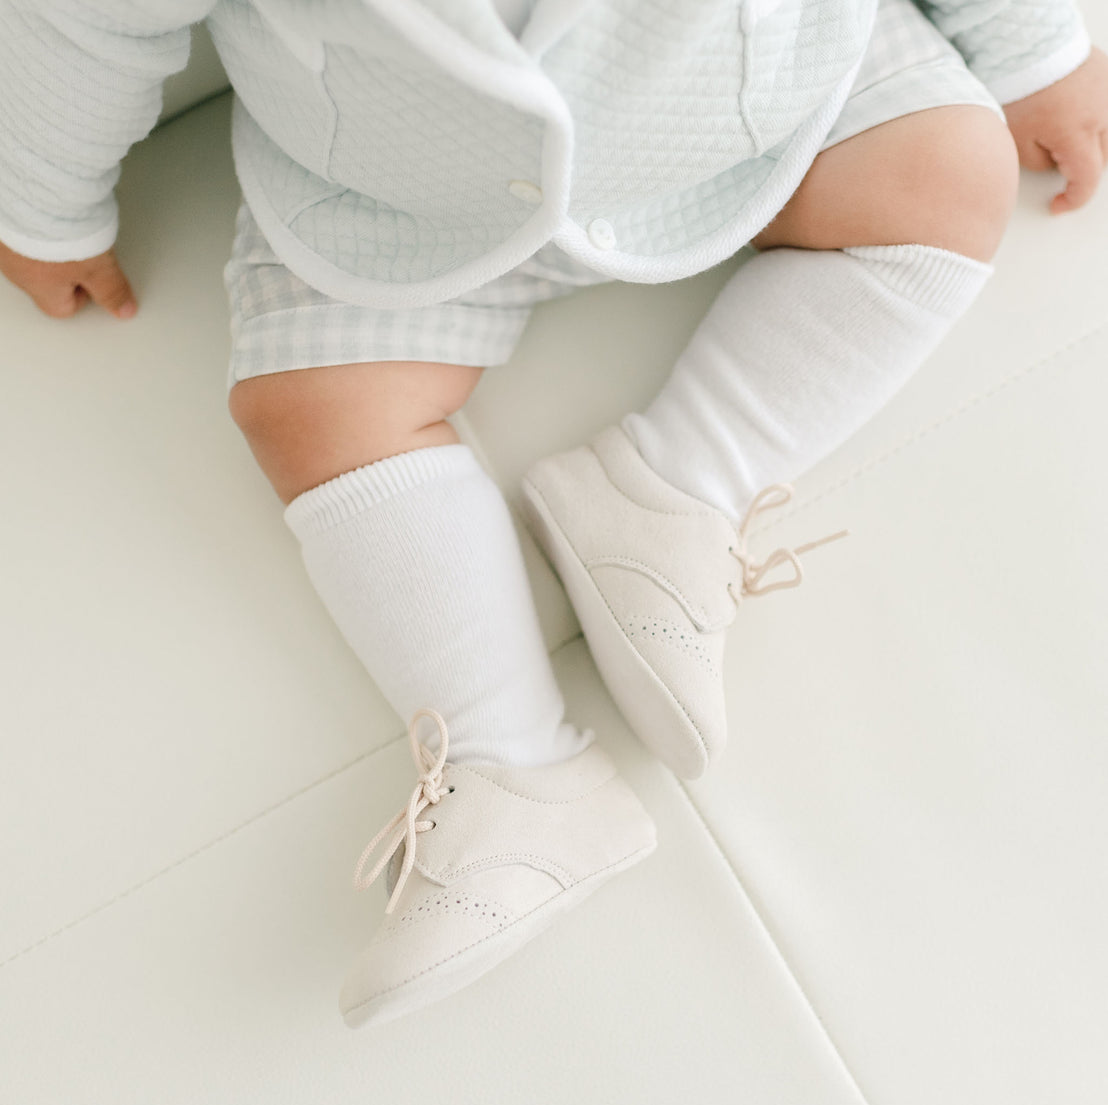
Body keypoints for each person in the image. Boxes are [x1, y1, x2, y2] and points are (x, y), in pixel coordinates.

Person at [1, 0, 1105, 1030]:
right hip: (394, 202)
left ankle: (676, 486)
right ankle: (512, 771)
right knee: (310, 407)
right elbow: (79, 24)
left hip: (758, 101)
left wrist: (1031, 49)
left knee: (946, 171)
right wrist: (43, 200)